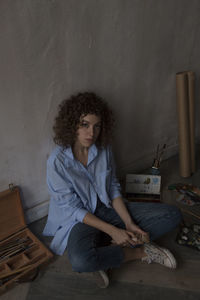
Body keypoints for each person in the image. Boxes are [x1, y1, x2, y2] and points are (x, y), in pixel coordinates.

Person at [43, 92, 182, 288]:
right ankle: (139, 252)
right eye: (84, 124)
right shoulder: (56, 162)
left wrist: (128, 222)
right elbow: (73, 210)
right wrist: (113, 231)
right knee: (81, 261)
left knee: (172, 215)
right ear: (72, 124)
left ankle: (107, 250)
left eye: (96, 126)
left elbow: (112, 186)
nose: (91, 132)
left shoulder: (103, 147)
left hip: (108, 207)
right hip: (80, 219)